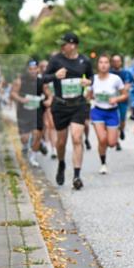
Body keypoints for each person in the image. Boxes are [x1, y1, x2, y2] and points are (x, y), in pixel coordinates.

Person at [42, 32, 93, 189]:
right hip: (60, 106)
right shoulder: (56, 59)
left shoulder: (84, 60)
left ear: (73, 45)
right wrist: (55, 76)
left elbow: (92, 78)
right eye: (61, 44)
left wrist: (88, 81)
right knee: (61, 142)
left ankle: (77, 176)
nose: (61, 46)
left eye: (64, 44)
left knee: (77, 138)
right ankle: (62, 163)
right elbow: (43, 78)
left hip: (78, 104)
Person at [89, 54, 128, 174]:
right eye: (101, 62)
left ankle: (112, 135)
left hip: (112, 112)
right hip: (97, 111)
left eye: (106, 62)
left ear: (109, 64)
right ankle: (103, 163)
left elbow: (125, 94)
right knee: (102, 139)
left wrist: (116, 99)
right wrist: (89, 96)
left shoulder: (115, 78)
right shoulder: (93, 79)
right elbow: (89, 95)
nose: (103, 65)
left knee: (111, 143)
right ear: (97, 65)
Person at [10, 60, 46, 166]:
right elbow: (13, 93)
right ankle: (26, 145)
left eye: (35, 69)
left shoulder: (41, 81)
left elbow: (48, 93)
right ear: (27, 70)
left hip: (36, 111)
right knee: (24, 138)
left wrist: (48, 99)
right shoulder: (20, 80)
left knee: (36, 133)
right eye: (31, 69)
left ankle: (33, 155)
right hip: (23, 112)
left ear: (38, 69)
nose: (33, 71)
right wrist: (21, 99)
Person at [109, 54, 134, 150]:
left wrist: (121, 91)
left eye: (118, 61)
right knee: (115, 120)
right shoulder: (109, 73)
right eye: (114, 61)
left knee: (122, 120)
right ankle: (117, 142)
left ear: (121, 62)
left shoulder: (126, 73)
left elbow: (127, 86)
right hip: (111, 101)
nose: (116, 63)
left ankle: (122, 129)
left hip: (123, 100)